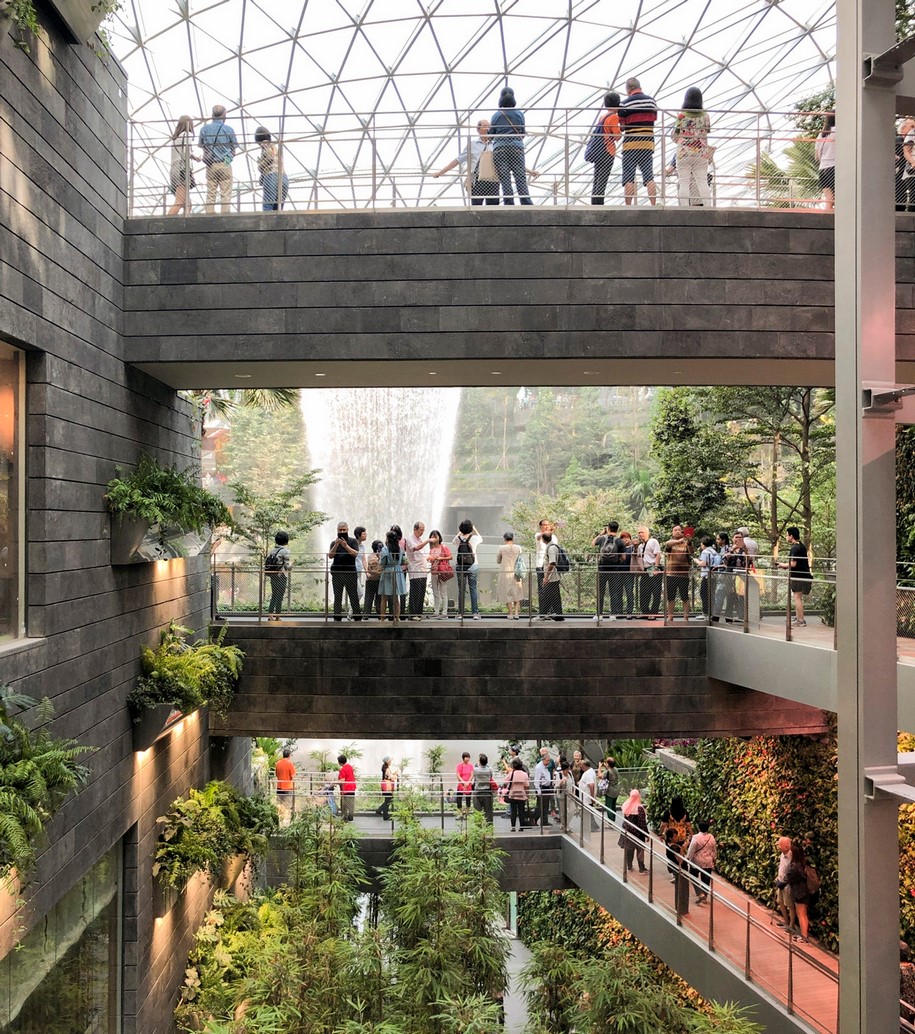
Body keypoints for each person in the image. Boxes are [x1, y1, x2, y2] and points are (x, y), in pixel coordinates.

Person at [432, 118, 499, 205]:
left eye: (489, 127)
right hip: (477, 180)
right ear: (478, 130)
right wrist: (440, 172)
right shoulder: (473, 145)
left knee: (493, 209)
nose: (487, 129)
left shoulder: (496, 144)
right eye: (485, 126)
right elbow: (458, 160)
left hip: (493, 180)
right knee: (476, 207)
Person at [618, 77, 658, 206]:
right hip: (647, 143)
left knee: (629, 177)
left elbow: (622, 127)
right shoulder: (651, 102)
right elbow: (654, 119)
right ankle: (653, 204)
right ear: (640, 87)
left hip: (630, 144)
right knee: (649, 176)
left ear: (628, 90)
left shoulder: (624, 104)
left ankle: (628, 206)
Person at [490, 86, 533, 205]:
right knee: (520, 176)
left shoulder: (496, 115)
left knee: (505, 178)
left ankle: (509, 202)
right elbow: (522, 131)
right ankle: (525, 201)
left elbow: (492, 134)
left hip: (500, 149)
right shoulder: (519, 114)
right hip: (516, 147)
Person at [671, 86, 712, 207]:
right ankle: (708, 207)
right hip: (701, 153)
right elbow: (707, 130)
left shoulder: (681, 116)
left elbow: (676, 133)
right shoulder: (706, 116)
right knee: (702, 181)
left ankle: (684, 208)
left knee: (684, 182)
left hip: (684, 153)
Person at [198, 104, 238, 214]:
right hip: (225, 164)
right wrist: (227, 161)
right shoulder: (229, 129)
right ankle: (225, 216)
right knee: (226, 193)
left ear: (212, 115)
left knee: (211, 192)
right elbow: (234, 151)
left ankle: (209, 216)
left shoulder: (204, 129)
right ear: (224, 115)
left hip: (210, 165)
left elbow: (202, 147)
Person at [588, 91, 621, 205]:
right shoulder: (613, 117)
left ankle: (594, 204)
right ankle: (599, 205)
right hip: (607, 151)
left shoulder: (603, 116)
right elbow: (617, 136)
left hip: (598, 151)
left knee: (597, 178)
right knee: (603, 180)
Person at [779, 526, 813, 627]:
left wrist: (783, 565)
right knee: (798, 597)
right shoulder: (801, 546)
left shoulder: (794, 548)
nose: (786, 537)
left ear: (791, 536)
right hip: (804, 575)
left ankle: (801, 620)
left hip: (798, 576)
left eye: (787, 535)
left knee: (797, 597)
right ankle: (798, 617)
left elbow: (793, 564)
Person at [327, 522, 362, 622]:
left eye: (344, 530)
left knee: (353, 595)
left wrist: (345, 546)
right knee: (337, 596)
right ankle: (337, 617)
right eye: (340, 530)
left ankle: (357, 617)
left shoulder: (353, 541)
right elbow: (330, 555)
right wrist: (337, 545)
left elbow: (355, 554)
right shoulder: (334, 543)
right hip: (337, 572)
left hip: (350, 572)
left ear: (347, 530)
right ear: (337, 530)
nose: (342, 532)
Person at [167, 115, 200, 216]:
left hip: (174, 169)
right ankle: (166, 222)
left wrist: (194, 157)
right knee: (180, 202)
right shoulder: (187, 134)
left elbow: (183, 151)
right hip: (182, 169)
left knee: (188, 204)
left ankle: (186, 224)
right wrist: (195, 158)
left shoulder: (175, 138)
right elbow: (186, 151)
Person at [594, 520, 624, 620]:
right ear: (617, 529)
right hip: (614, 570)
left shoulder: (602, 538)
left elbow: (593, 543)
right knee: (613, 592)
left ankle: (599, 614)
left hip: (602, 569)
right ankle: (613, 614)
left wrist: (602, 533)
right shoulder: (620, 541)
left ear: (608, 528)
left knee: (600, 592)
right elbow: (623, 557)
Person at [452, 519, 482, 620]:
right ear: (471, 528)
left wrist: (460, 532)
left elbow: (453, 541)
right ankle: (475, 613)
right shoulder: (474, 538)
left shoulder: (458, 539)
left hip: (460, 566)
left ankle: (460, 613)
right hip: (472, 566)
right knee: (473, 588)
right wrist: (475, 529)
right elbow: (481, 539)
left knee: (461, 589)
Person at [254, 126, 288, 211]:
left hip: (272, 177)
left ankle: (267, 224)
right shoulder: (275, 147)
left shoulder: (265, 145)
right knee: (278, 209)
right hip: (283, 178)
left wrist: (260, 166)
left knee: (267, 208)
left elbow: (270, 157)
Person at [785, 839, 813, 943]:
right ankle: (803, 934)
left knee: (801, 914)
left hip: (800, 893)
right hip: (803, 892)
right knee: (803, 913)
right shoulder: (802, 864)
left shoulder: (795, 866)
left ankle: (804, 936)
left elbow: (789, 877)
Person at [664, 524, 693, 622]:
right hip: (670, 574)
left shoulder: (686, 543)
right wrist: (679, 541)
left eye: (679, 530)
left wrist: (689, 541)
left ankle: (685, 617)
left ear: (682, 532)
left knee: (684, 596)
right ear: (672, 532)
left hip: (683, 574)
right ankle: (670, 616)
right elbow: (667, 544)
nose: (676, 531)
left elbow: (692, 552)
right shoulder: (671, 543)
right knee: (670, 597)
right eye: (674, 530)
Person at [378, 528, 407, 624]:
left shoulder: (385, 549)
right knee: (396, 598)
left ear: (388, 539)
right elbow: (404, 561)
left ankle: (382, 618)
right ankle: (397, 618)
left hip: (387, 572)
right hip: (398, 572)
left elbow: (383, 562)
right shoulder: (400, 549)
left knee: (384, 597)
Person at [685, 820, 717, 904]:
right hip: (708, 861)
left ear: (699, 828)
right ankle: (705, 895)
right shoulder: (711, 837)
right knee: (706, 879)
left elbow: (692, 848)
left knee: (693, 875)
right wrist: (714, 858)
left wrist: (688, 858)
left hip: (696, 861)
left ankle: (699, 893)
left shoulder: (696, 837)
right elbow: (714, 849)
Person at [619, 788, 649, 873]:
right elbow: (642, 823)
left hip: (628, 831)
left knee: (629, 849)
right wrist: (646, 834)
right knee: (640, 850)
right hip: (638, 833)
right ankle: (641, 867)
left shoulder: (625, 804)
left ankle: (629, 865)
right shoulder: (639, 808)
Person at [405, 521, 430, 620]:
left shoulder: (420, 540)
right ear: (415, 529)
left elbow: (422, 554)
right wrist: (428, 541)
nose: (422, 532)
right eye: (421, 530)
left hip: (423, 570)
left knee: (421, 592)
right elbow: (415, 548)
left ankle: (418, 613)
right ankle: (412, 614)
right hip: (415, 570)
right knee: (415, 592)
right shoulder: (410, 539)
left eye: (423, 530)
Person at [635, 526, 661, 618]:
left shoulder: (653, 541)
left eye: (642, 532)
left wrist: (656, 568)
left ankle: (654, 613)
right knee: (644, 591)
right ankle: (645, 612)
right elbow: (639, 558)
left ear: (647, 533)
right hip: (645, 570)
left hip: (653, 568)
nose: (640, 534)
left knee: (655, 591)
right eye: (639, 532)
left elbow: (658, 555)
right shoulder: (640, 546)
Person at [497, 531, 524, 619]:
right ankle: (516, 613)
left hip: (505, 572)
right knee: (517, 592)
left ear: (504, 539)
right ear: (513, 538)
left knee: (507, 592)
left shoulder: (502, 548)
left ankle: (511, 613)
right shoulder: (518, 547)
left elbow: (498, 560)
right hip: (516, 572)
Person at [265, 531, 291, 621]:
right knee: (280, 597)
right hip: (282, 576)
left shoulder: (272, 551)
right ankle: (277, 617)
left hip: (273, 575)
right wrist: (293, 564)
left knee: (274, 595)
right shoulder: (285, 551)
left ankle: (270, 615)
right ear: (286, 541)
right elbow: (287, 567)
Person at [665, 828, 691, 918]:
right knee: (682, 889)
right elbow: (679, 860)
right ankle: (682, 910)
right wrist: (683, 849)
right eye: (675, 836)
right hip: (680, 870)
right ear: (670, 838)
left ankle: (681, 909)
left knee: (681, 889)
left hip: (679, 870)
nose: (677, 838)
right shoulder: (674, 847)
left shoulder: (672, 845)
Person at [427, 530, 453, 619]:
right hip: (434, 572)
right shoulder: (431, 549)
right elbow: (431, 559)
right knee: (435, 592)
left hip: (442, 572)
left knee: (443, 593)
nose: (434, 538)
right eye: (432, 536)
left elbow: (450, 557)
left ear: (439, 537)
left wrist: (440, 558)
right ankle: (436, 611)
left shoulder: (443, 547)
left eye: (435, 536)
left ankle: (444, 612)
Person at [774, 835, 798, 932]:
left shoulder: (792, 856)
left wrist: (785, 880)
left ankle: (791, 925)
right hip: (780, 882)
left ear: (786, 847)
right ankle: (786, 921)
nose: (778, 846)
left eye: (780, 845)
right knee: (780, 902)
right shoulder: (782, 854)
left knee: (790, 905)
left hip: (787, 884)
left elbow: (792, 871)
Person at [540, 531, 564, 620]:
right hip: (553, 576)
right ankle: (559, 615)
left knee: (546, 596)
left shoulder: (551, 548)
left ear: (543, 539)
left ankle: (542, 615)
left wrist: (546, 577)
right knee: (554, 597)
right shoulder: (553, 546)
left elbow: (552, 563)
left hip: (552, 577)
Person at [535, 519, 557, 616]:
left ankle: (552, 611)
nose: (546, 526)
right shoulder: (538, 535)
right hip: (540, 565)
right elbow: (541, 537)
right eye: (544, 525)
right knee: (542, 589)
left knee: (552, 589)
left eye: (548, 525)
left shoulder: (554, 537)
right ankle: (543, 612)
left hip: (550, 566)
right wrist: (551, 530)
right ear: (540, 526)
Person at [695, 535, 720, 618]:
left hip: (707, 576)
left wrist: (696, 561)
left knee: (704, 594)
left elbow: (703, 563)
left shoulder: (705, 552)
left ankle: (706, 613)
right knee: (711, 595)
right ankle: (711, 613)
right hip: (714, 575)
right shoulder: (713, 551)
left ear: (703, 544)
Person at [815, 114, 836, 211]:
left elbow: (817, 157)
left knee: (829, 199)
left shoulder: (821, 134)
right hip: (833, 167)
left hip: (822, 170)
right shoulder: (838, 131)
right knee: (839, 198)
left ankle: (826, 220)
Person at [505, 756, 530, 831]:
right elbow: (526, 786)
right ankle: (521, 827)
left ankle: (513, 827)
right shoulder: (524, 774)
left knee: (513, 812)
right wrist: (527, 794)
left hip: (513, 795)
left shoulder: (511, 774)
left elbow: (505, 782)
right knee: (521, 812)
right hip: (522, 795)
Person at [533, 747, 555, 827]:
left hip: (547, 787)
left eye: (549, 761)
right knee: (540, 806)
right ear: (543, 759)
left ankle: (544, 821)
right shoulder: (539, 767)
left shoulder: (546, 767)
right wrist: (538, 790)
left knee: (546, 806)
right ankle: (534, 819)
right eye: (547, 761)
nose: (548, 762)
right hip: (542, 787)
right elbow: (537, 780)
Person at [363, 539, 384, 618]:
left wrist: (367, 574)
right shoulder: (381, 556)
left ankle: (366, 614)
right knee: (379, 598)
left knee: (368, 597)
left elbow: (368, 567)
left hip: (370, 579)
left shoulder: (370, 556)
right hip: (379, 578)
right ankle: (379, 614)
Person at [577, 758, 599, 831]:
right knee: (588, 813)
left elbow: (591, 785)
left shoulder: (588, 773)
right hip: (586, 797)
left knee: (587, 813)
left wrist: (592, 797)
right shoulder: (590, 771)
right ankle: (593, 826)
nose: (580, 766)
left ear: (584, 765)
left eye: (581, 765)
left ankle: (592, 827)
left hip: (587, 798)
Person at [275, 747, 296, 822]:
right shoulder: (290, 764)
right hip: (288, 787)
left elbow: (277, 774)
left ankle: (280, 818)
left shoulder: (278, 763)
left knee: (280, 804)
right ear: (289, 755)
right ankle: (287, 819)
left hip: (279, 786)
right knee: (288, 804)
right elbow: (293, 775)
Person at [472, 752, 494, 822]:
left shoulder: (475, 770)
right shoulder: (489, 769)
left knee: (477, 811)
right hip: (487, 791)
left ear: (479, 762)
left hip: (478, 791)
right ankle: (489, 828)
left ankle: (478, 828)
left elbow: (473, 776)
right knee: (488, 811)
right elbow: (491, 776)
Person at [597, 756, 619, 822]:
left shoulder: (607, 772)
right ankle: (613, 819)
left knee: (608, 806)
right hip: (616, 789)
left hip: (610, 790)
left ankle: (610, 821)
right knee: (613, 805)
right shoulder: (615, 769)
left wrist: (599, 767)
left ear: (608, 764)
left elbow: (599, 776)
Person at [455, 750, 474, 821]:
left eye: (468, 757)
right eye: (466, 757)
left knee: (468, 799)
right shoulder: (459, 765)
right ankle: (461, 812)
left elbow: (472, 774)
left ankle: (466, 813)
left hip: (468, 784)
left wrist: (468, 782)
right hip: (461, 784)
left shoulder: (471, 765)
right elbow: (458, 775)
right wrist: (463, 782)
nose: (468, 759)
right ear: (463, 758)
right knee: (458, 799)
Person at [337, 753, 357, 822]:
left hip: (346, 789)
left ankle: (344, 818)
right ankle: (351, 817)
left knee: (344, 804)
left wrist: (334, 783)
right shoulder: (349, 766)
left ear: (340, 762)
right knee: (351, 803)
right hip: (352, 787)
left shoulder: (343, 769)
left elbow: (342, 780)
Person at [375, 755, 396, 820]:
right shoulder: (387, 769)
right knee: (389, 800)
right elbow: (391, 777)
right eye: (390, 761)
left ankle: (384, 814)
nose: (391, 762)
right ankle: (381, 812)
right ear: (388, 762)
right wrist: (396, 775)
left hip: (385, 786)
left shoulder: (385, 768)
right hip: (388, 786)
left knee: (388, 800)